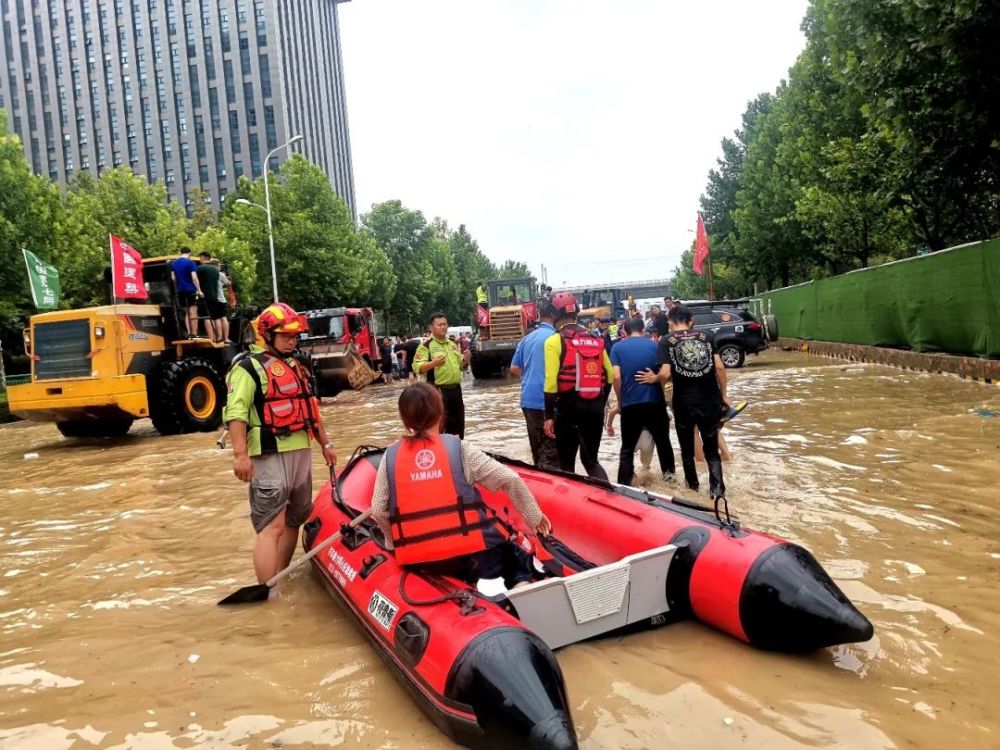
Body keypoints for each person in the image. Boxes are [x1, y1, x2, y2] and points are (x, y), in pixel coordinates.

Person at [371, 383, 551, 589]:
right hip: (474, 558)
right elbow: (509, 479)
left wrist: (394, 544)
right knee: (514, 561)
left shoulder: (390, 458)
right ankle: (520, 587)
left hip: (422, 562)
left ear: (405, 420)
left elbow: (378, 510)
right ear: (440, 413)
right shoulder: (461, 450)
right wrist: (534, 517)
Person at [222, 302, 337, 587]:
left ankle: (279, 579)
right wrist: (240, 455)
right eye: (285, 335)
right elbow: (235, 413)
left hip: (301, 452)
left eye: (295, 336)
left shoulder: (297, 367)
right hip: (269, 454)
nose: (291, 341)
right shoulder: (248, 368)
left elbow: (311, 411)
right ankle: (266, 591)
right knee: (271, 524)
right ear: (267, 335)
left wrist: (326, 444)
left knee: (295, 519)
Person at [637, 305, 729, 500]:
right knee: (712, 451)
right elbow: (720, 368)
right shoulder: (706, 336)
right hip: (710, 401)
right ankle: (717, 492)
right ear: (691, 321)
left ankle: (693, 491)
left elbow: (666, 373)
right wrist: (724, 395)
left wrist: (653, 378)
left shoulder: (666, 341)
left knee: (687, 451)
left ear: (670, 322)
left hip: (684, 404)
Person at [542, 291, 614, 480]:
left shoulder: (553, 341)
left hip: (567, 409)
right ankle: (608, 498)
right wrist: (600, 402)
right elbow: (610, 375)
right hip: (595, 408)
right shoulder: (595, 339)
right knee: (591, 462)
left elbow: (550, 384)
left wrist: (549, 416)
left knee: (567, 466)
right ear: (577, 313)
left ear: (554, 315)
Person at [610, 317, 676, 485]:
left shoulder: (617, 347)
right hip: (655, 402)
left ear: (624, 330)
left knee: (627, 448)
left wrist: (620, 401)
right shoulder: (655, 346)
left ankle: (623, 486)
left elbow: (616, 377)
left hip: (631, 404)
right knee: (663, 443)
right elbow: (665, 375)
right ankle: (670, 480)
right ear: (643, 330)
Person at [510, 302, 558, 469]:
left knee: (537, 450)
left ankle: (537, 484)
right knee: (553, 451)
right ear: (554, 316)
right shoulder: (557, 338)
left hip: (529, 399)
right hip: (551, 400)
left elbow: (514, 368)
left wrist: (531, 375)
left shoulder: (526, 339)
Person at [413, 313, 471, 438]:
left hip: (456, 390)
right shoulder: (426, 345)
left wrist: (465, 360)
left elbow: (460, 366)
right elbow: (417, 367)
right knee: (438, 426)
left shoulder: (452, 344)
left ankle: (456, 451)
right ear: (431, 328)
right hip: (437, 391)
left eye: (445, 324)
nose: (443, 327)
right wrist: (434, 363)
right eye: (440, 325)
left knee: (458, 425)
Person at [170, 247, 203, 338]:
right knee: (193, 312)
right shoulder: (191, 263)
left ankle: (189, 333)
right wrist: (199, 290)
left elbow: (173, 278)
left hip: (180, 291)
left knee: (187, 313)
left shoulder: (174, 263)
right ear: (189, 253)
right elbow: (194, 278)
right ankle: (194, 334)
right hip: (191, 290)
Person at [195, 252, 225, 342]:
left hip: (205, 297)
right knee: (215, 317)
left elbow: (194, 279)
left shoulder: (200, 268)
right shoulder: (215, 270)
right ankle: (219, 337)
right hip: (215, 297)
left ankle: (211, 338)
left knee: (206, 317)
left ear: (202, 258)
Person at [213, 259, 232, 343]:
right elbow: (228, 283)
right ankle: (226, 338)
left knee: (216, 318)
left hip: (212, 299)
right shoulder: (220, 274)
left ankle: (219, 337)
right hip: (221, 299)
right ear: (217, 266)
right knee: (223, 318)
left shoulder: (208, 274)